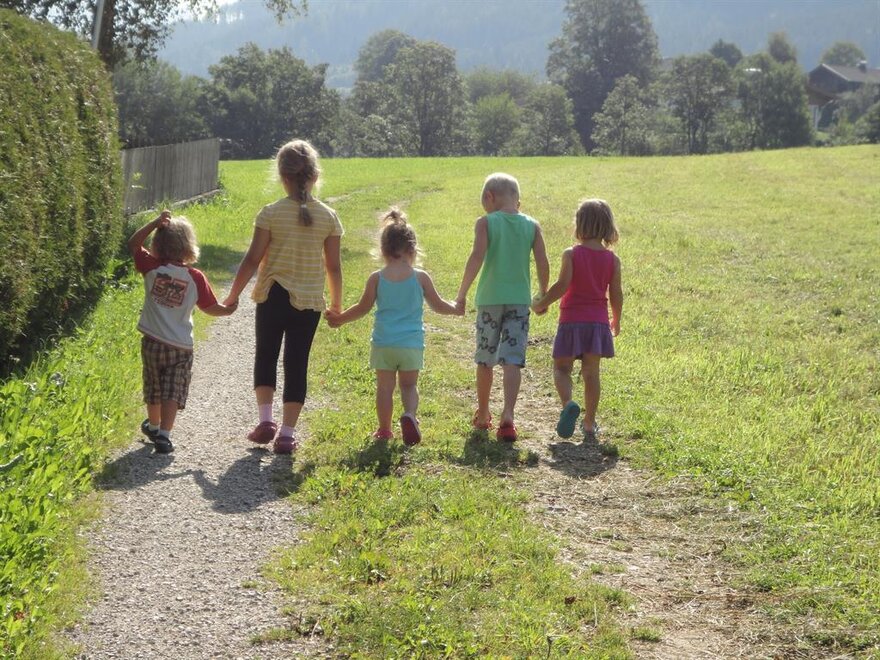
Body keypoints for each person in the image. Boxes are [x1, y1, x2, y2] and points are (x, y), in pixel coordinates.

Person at [223, 139, 343, 455]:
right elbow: (333, 266)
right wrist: (336, 305)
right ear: (315, 176)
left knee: (266, 355)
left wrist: (232, 296)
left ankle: (266, 420)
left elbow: (252, 259)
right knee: (297, 363)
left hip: (273, 296)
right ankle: (287, 434)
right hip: (310, 302)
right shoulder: (329, 217)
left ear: (282, 176)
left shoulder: (270, 213)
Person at [325, 208, 461, 445]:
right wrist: (455, 308)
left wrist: (340, 318)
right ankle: (410, 415)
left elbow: (362, 308)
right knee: (409, 385)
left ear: (383, 250)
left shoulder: (376, 278)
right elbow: (438, 305)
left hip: (384, 343)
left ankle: (385, 430)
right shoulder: (420, 277)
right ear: (412, 249)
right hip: (411, 344)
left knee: (384, 388)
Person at [129, 210, 237, 454]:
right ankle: (164, 435)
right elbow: (210, 308)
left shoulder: (151, 267)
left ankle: (153, 426)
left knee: (153, 386)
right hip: (180, 346)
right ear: (188, 245)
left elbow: (133, 243)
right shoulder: (195, 277)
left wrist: (154, 223)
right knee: (172, 390)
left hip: (152, 342)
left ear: (157, 244)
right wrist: (228, 310)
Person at [454, 173, 549, 442]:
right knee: (512, 360)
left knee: (485, 359)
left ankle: (484, 413)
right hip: (519, 301)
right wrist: (542, 294)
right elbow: (542, 261)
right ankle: (508, 415)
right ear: (518, 200)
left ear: (489, 197)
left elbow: (476, 257)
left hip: (489, 300)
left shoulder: (485, 223)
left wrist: (461, 294)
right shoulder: (532, 225)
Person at [531, 199, 623, 442]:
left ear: (579, 224)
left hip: (571, 321)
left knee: (562, 369)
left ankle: (568, 404)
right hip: (598, 323)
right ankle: (589, 423)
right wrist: (616, 318)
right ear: (607, 226)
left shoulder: (572, 254)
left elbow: (562, 285)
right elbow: (616, 293)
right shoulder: (612, 260)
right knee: (591, 373)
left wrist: (542, 302)